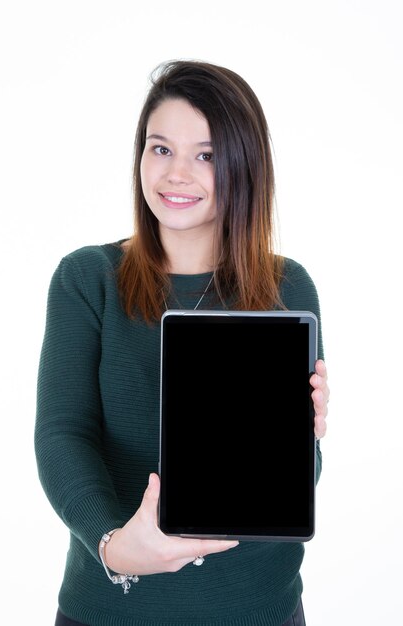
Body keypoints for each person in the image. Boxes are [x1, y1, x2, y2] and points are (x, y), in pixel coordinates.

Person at [35, 59, 329, 626]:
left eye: (207, 155)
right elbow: (62, 434)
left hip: (256, 610)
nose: (175, 174)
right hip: (110, 610)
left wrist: (300, 438)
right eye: (160, 148)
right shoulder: (88, 278)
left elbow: (298, 483)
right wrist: (114, 546)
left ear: (244, 166)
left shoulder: (287, 286)